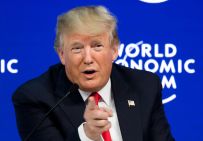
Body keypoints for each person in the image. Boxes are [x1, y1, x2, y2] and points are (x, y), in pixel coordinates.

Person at [12, 5, 175, 141]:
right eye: (77, 48)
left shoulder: (144, 85)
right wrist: (87, 135)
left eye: (97, 46)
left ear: (114, 50)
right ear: (62, 54)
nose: (88, 58)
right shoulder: (34, 98)